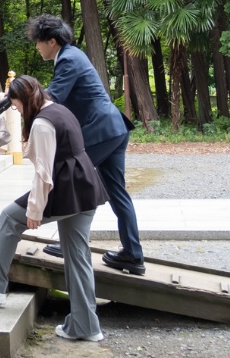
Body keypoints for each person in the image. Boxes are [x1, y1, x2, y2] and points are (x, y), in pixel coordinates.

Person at [0, 75, 109, 341]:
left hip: (65, 191)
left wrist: (34, 210)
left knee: (9, 217)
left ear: (24, 99)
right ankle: (86, 326)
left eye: (16, 104)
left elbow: (43, 174)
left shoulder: (42, 123)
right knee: (78, 257)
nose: (16, 110)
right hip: (86, 186)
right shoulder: (58, 108)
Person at [26, 14, 146, 275]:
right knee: (117, 193)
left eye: (39, 42)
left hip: (101, 131)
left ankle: (68, 243)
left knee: (67, 177)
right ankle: (133, 256)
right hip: (113, 130)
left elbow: (52, 96)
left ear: (52, 42)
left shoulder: (68, 59)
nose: (37, 47)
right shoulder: (73, 55)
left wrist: (21, 96)